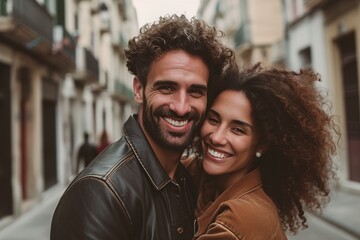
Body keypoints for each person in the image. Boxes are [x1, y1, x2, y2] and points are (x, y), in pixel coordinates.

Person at [50, 14, 234, 240]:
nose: (181, 107)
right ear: (138, 89)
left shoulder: (185, 179)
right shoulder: (101, 191)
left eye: (196, 91)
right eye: (167, 88)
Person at [184, 63, 339, 239]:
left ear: (262, 145)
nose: (216, 137)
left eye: (238, 130)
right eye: (213, 119)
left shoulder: (242, 218)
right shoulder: (200, 177)